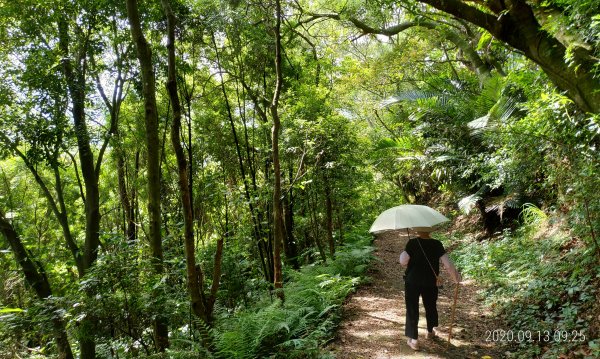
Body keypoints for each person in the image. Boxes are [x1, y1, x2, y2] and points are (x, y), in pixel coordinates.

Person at [399, 227, 461, 351]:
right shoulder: (437, 244)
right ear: (430, 230)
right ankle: (430, 331)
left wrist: (408, 252)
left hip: (412, 281)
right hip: (430, 282)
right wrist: (456, 278)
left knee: (412, 308)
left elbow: (403, 261)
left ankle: (414, 340)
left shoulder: (412, 243)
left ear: (417, 230)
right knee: (431, 305)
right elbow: (447, 264)